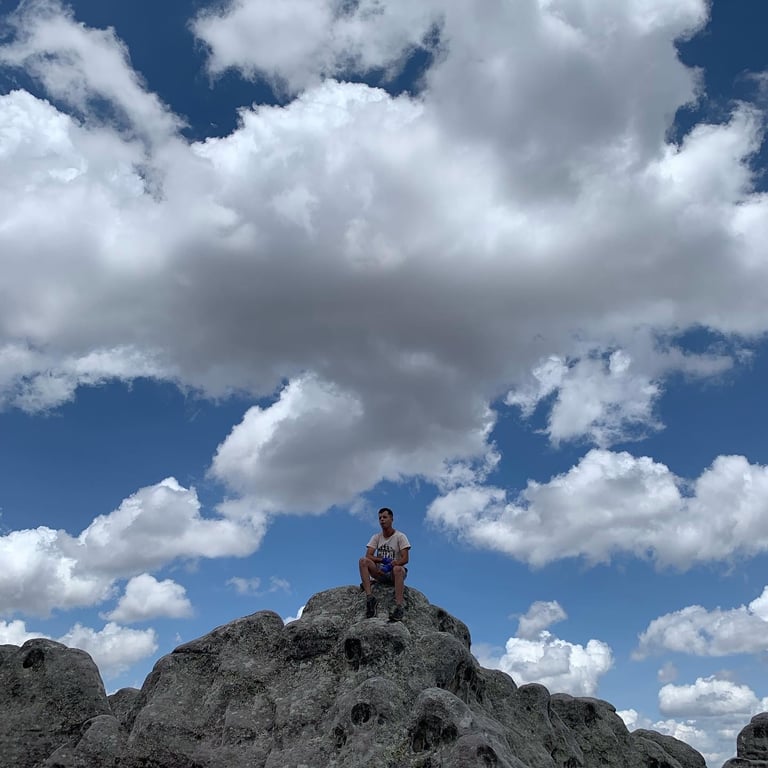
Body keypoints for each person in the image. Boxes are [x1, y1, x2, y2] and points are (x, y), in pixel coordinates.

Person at [359, 507, 411, 621]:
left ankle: (399, 607)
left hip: (394, 573)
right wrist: (383, 561)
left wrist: (390, 565)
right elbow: (369, 555)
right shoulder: (376, 537)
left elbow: (405, 559)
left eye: (385, 517)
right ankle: (370, 598)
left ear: (391, 519)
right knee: (363, 561)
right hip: (380, 572)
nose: (382, 520)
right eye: (380, 518)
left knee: (397, 569)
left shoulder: (400, 537)